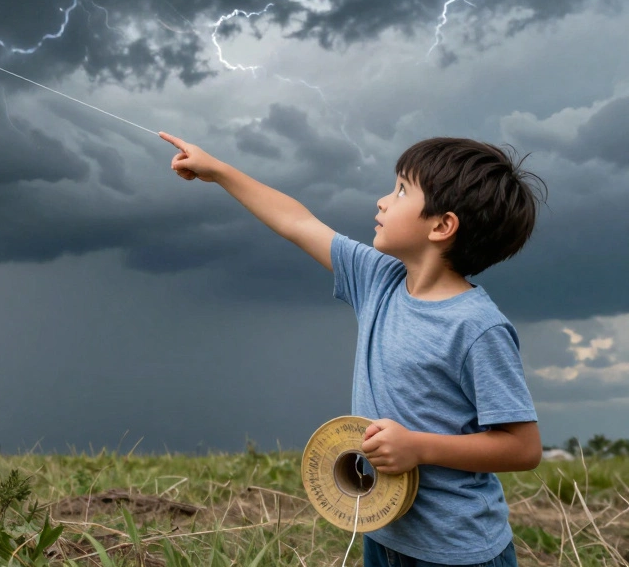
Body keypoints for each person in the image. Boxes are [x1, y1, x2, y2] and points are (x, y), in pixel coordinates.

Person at [160, 133, 544, 566]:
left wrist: (418, 447)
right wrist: (218, 171)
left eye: (401, 190)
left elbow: (523, 448)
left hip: (458, 550)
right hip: (383, 529)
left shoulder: (477, 326)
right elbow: (298, 223)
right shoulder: (378, 279)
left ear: (441, 226)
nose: (382, 201)